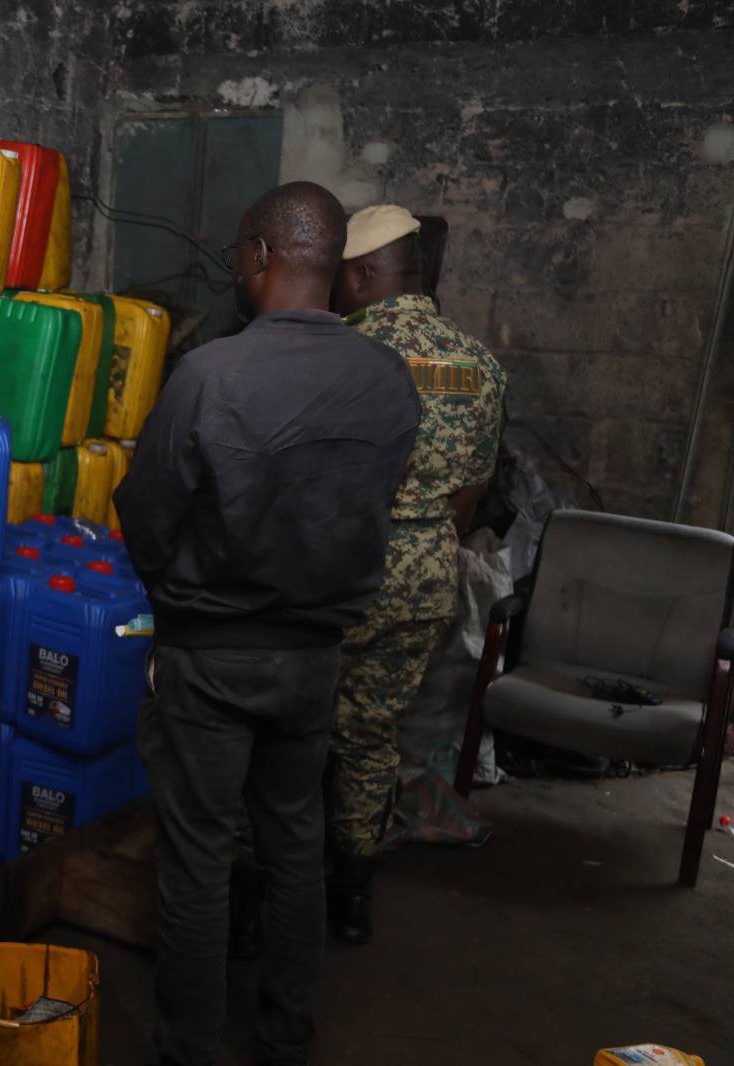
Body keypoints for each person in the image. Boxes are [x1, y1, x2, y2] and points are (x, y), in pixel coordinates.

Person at [114, 181, 420, 1066]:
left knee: (201, 854)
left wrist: (181, 596)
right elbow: (371, 507)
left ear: (258, 256)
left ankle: (189, 1049)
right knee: (295, 840)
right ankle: (287, 1034)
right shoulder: (386, 381)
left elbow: (147, 512)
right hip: (317, 657)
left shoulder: (212, 373)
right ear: (330, 265)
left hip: (211, 656)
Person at [324, 203, 507, 943]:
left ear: (364, 273)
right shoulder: (473, 365)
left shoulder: (337, 351)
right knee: (370, 737)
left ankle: (259, 901)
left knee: (290, 732)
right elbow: (470, 499)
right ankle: (352, 901)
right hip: (427, 572)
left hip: (337, 571)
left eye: (339, 276)